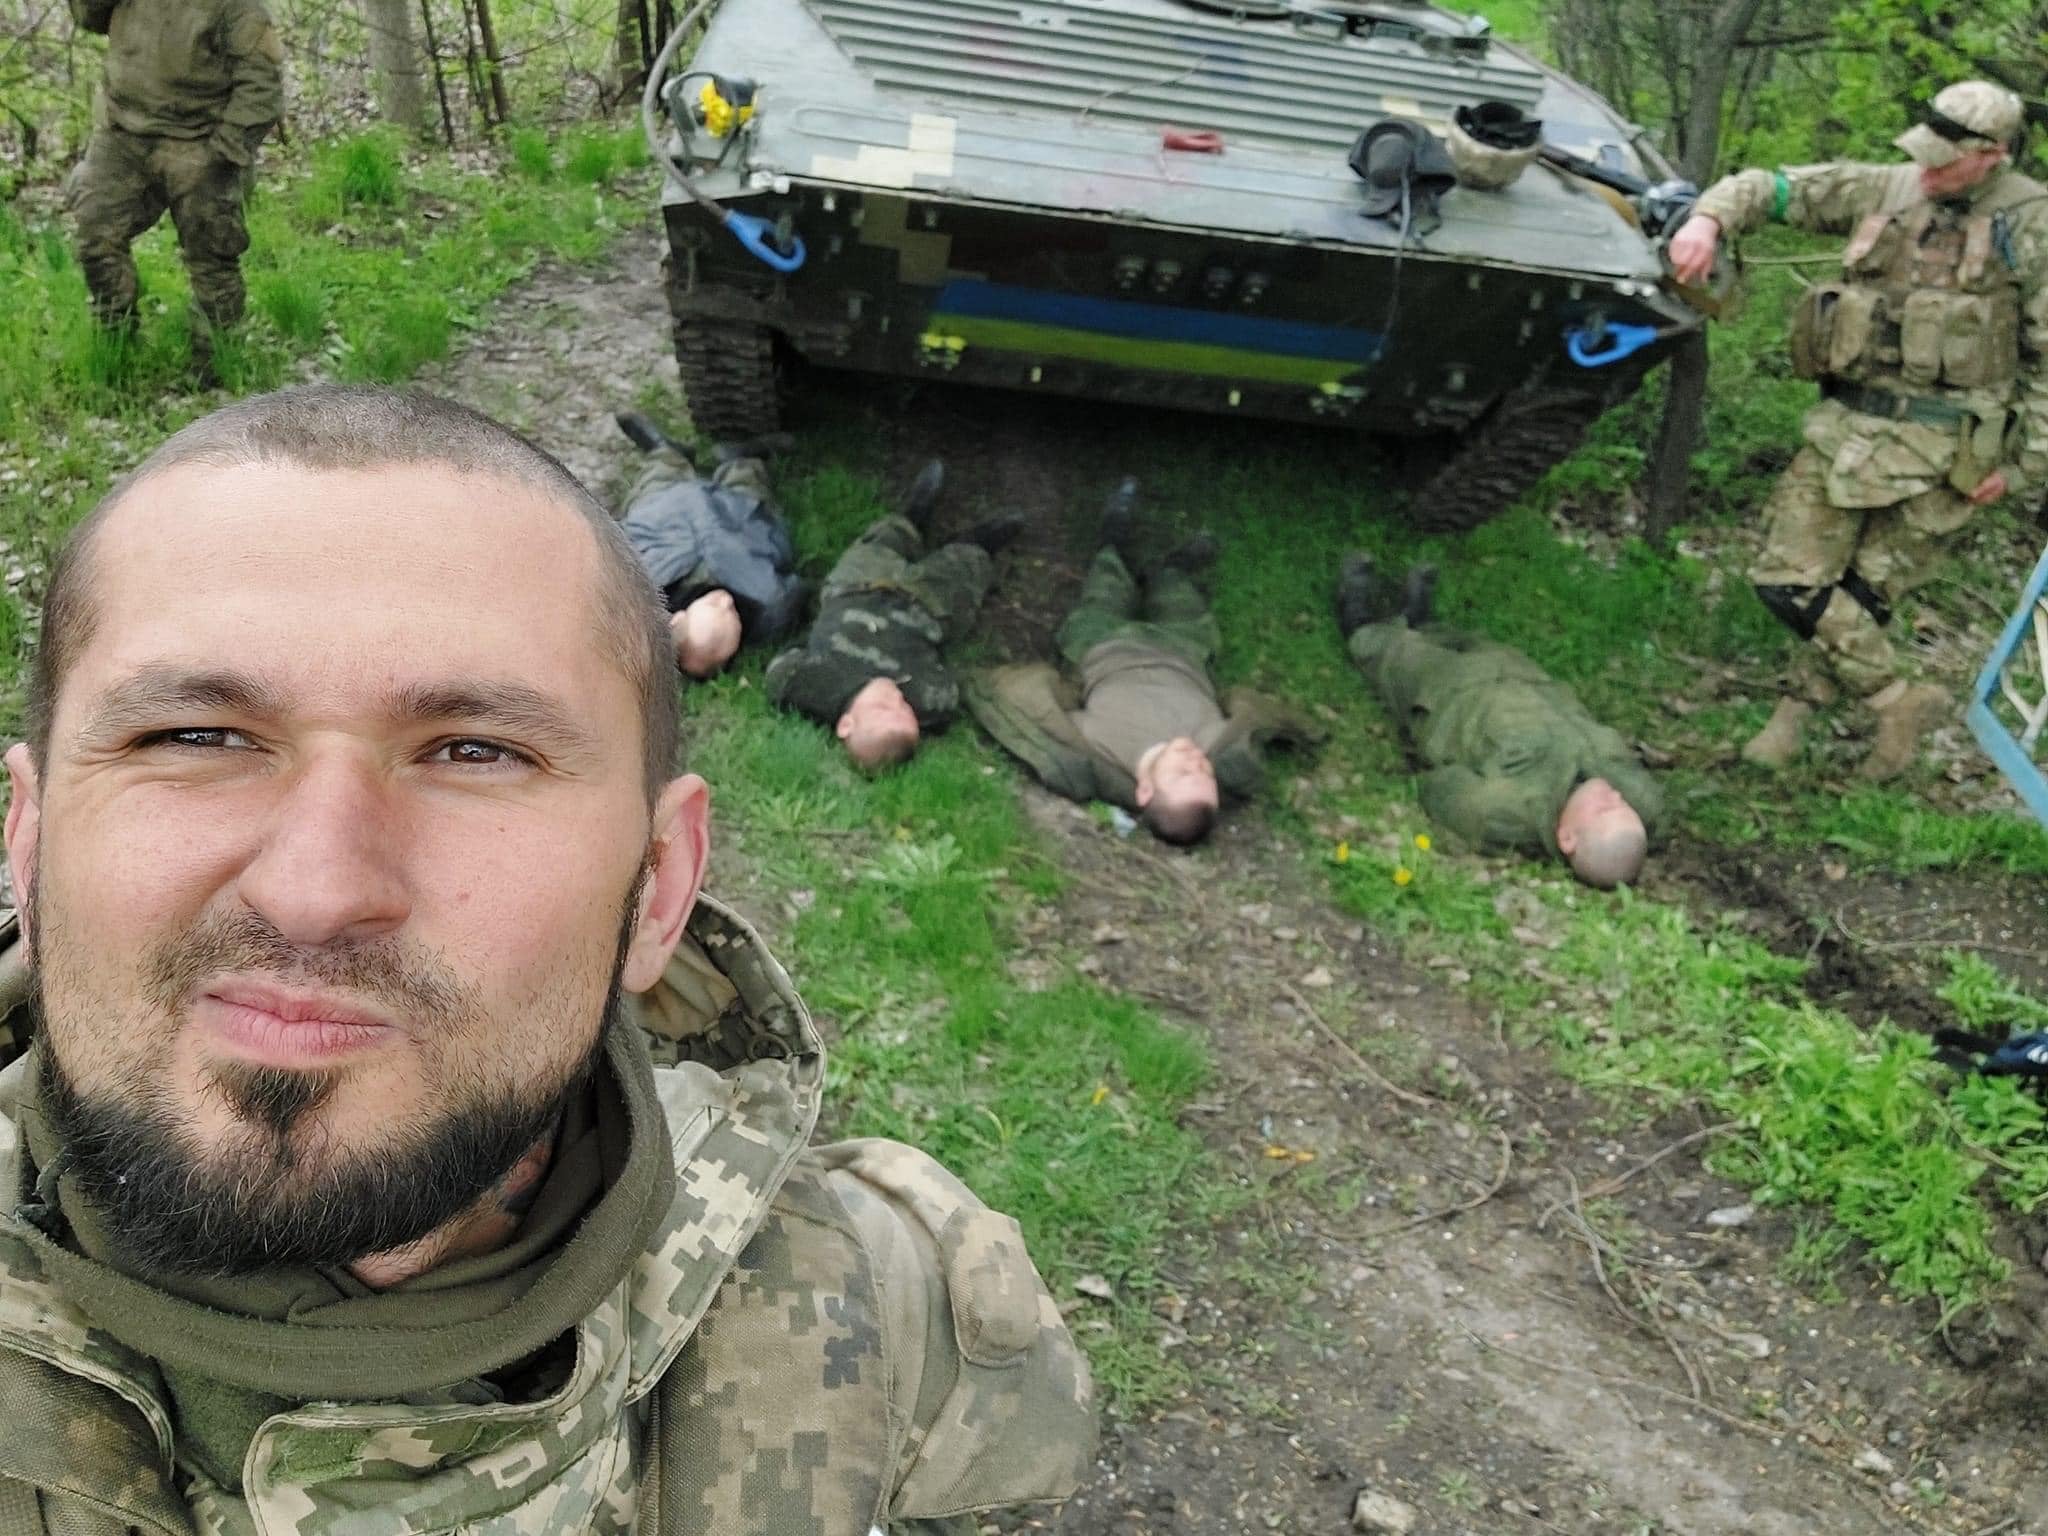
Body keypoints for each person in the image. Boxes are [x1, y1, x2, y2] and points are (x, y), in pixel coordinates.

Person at [0, 385, 1094, 1532]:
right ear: (27, 840)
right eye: (193, 737)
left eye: (475, 752)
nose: (315, 890)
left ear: (660, 883)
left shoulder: (906, 1321)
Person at [1667, 79, 2048, 780]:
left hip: (1952, 452)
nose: (1926, 171)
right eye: (1923, 154)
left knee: (1866, 596)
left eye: (1945, 161)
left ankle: (1788, 723)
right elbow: (1773, 188)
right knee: (1792, 582)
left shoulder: (2031, 223)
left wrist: (2027, 463)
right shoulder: (1888, 187)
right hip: (1848, 428)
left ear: (1992, 156)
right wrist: (1708, 219)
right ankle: (1897, 699)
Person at [967, 481, 1317, 845]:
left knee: (1106, 585)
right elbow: (1254, 712)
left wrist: (1059, 682)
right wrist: (1304, 731)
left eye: (1183, 772)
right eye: (1205, 772)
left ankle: (1113, 541)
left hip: (1103, 644)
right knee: (1178, 593)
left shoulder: (1099, 751)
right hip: (1183, 647)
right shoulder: (1221, 745)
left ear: (1145, 791)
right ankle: (1170, 569)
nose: (1196, 760)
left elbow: (1038, 707)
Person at [1337, 555, 1662, 887]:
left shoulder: (1508, 813)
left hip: (1451, 697)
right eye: (1624, 806)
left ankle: (1360, 622)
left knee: (1398, 655)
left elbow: (1440, 789)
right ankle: (1419, 621)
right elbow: (1650, 811)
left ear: (1566, 838)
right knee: (1469, 642)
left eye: (1604, 810)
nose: (1615, 797)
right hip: (1525, 680)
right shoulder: (1624, 793)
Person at [67, 0, 285, 374]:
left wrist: (225, 149)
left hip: (200, 137)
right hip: (124, 133)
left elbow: (262, 84)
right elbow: (89, 18)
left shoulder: (236, 7)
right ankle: (117, 340)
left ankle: (215, 364)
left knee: (212, 252)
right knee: (94, 229)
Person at [765, 463, 1019, 769]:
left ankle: (913, 514)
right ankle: (977, 543)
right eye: (905, 707)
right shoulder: (925, 697)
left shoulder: (814, 686)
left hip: (855, 588)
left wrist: (815, 636)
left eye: (884, 706)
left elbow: (778, 672)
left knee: (887, 537)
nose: (896, 697)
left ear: (845, 724)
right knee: (964, 567)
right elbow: (948, 696)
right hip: (924, 606)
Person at [613, 410, 805, 679]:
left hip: (668, 509)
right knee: (747, 483)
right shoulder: (767, 604)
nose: (726, 602)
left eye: (715, 607)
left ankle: (664, 450)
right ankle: (740, 458)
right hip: (738, 517)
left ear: (677, 618)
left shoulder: (644, 591)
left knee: (660, 475)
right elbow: (793, 589)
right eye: (734, 618)